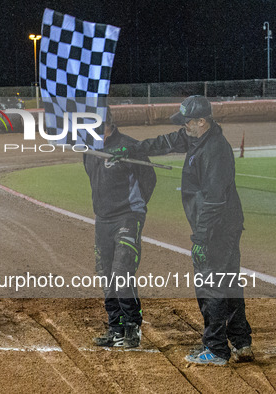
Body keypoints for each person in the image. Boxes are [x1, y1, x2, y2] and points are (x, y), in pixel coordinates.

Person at [111, 95, 253, 365]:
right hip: (222, 226)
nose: (184, 126)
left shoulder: (215, 151)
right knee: (229, 282)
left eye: (187, 121)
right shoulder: (196, 137)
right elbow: (166, 142)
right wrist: (132, 149)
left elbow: (214, 200)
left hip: (217, 228)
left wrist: (200, 238)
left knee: (210, 286)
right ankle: (241, 342)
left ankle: (216, 349)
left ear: (202, 121)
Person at [84, 110, 156, 349]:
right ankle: (116, 328)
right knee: (106, 275)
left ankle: (132, 327)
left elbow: (149, 179)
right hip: (102, 219)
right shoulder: (89, 148)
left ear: (108, 122)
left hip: (127, 217)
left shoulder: (130, 147)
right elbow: (93, 177)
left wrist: (135, 207)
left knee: (122, 272)